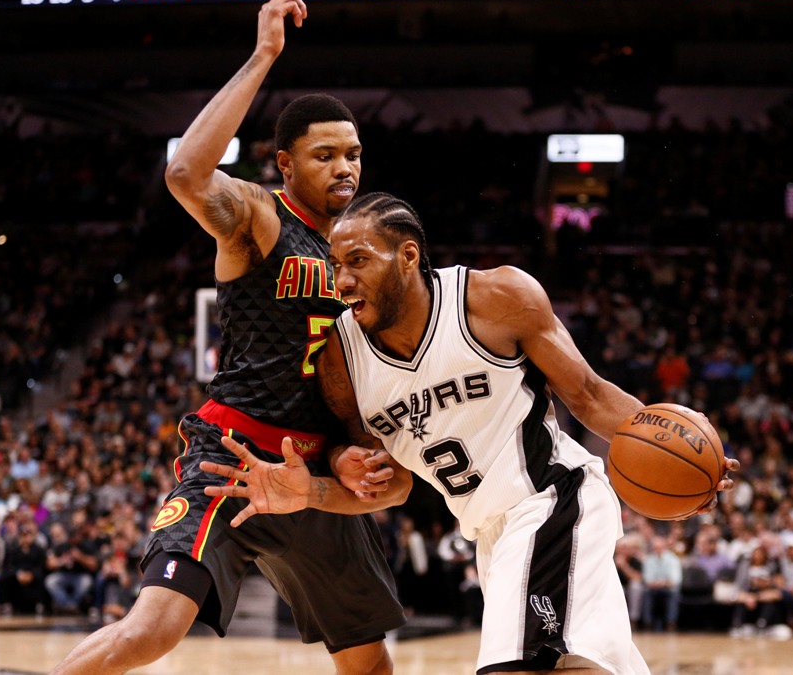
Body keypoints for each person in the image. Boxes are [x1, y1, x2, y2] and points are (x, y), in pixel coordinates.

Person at [204, 192, 739, 674]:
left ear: (408, 256)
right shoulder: (342, 359)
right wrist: (315, 489)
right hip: (491, 534)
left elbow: (590, 396)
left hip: (551, 501)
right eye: (337, 265)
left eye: (359, 261)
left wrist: (678, 444)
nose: (342, 280)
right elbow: (391, 486)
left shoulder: (495, 299)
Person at [49, 0, 410, 674]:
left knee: (368, 663)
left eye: (354, 155)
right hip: (232, 456)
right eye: (326, 154)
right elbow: (184, 174)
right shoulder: (259, 215)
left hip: (315, 469)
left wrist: (359, 448)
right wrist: (264, 54)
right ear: (284, 164)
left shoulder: (369, 249)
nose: (345, 168)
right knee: (149, 631)